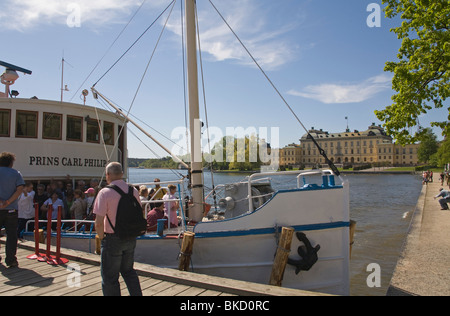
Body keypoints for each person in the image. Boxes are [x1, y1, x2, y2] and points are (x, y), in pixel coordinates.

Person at [93, 162, 142, 296]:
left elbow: (98, 222)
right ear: (121, 174)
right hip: (130, 237)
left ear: (107, 175)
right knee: (129, 272)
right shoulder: (133, 190)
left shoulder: (105, 193)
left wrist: (102, 237)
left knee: (110, 278)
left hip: (112, 238)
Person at [0, 152, 25, 268]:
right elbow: (19, 189)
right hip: (12, 210)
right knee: (11, 235)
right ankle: (11, 260)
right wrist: (8, 201)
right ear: (11, 162)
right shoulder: (16, 174)